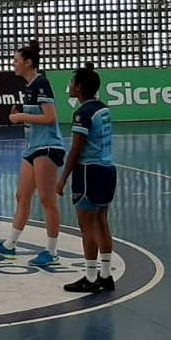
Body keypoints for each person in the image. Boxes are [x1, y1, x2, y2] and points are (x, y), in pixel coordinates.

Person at [0, 40, 65, 266]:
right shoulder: (29, 86)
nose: (14, 64)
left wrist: (21, 117)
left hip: (47, 146)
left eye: (16, 60)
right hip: (32, 147)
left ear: (28, 62)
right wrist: (22, 115)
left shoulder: (42, 84)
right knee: (22, 196)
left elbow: (51, 117)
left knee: (47, 199)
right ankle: (10, 245)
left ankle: (52, 252)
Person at [58, 63, 117, 293]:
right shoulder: (103, 108)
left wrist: (63, 178)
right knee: (102, 222)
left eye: (72, 83)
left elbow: (76, 149)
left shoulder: (82, 113)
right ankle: (105, 274)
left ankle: (91, 277)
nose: (70, 87)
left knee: (87, 227)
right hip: (108, 170)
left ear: (80, 88)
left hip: (89, 172)